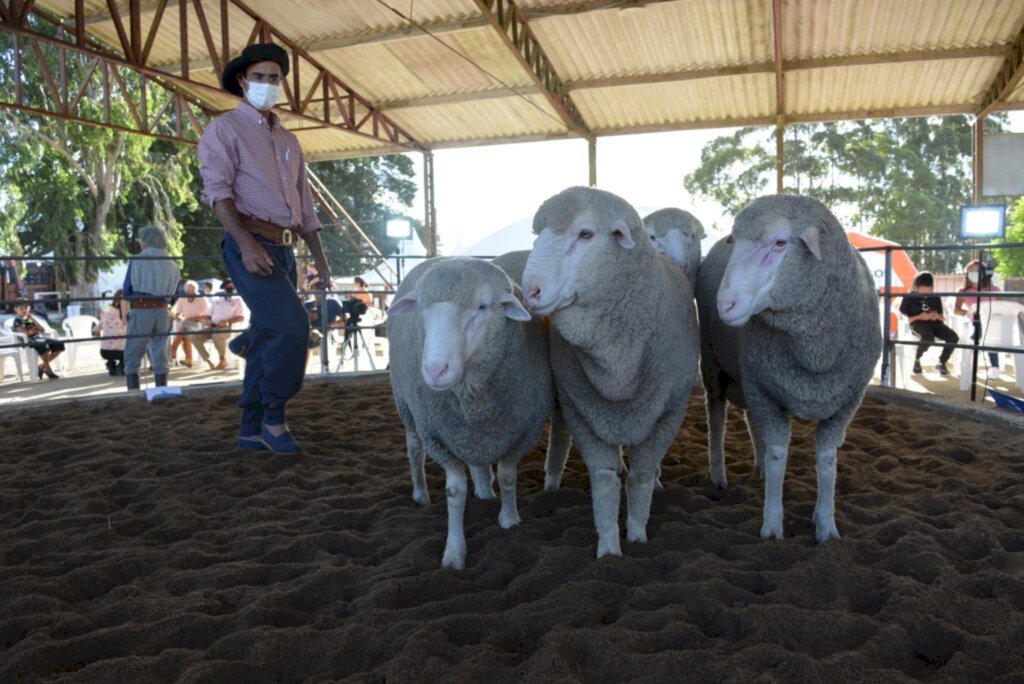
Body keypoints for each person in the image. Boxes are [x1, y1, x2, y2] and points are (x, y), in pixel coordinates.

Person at [198, 41, 331, 454]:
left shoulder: (290, 139)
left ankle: (250, 428)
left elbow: (304, 205)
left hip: (286, 248)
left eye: (275, 78)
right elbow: (218, 192)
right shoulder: (224, 128)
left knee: (270, 330)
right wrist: (246, 244)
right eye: (260, 77)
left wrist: (322, 262)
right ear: (242, 81)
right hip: (249, 242)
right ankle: (274, 415)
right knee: (292, 326)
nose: (268, 84)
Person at [122, 224, 181, 390]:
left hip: (142, 308)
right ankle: (161, 389)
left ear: (146, 241)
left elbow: (127, 291)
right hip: (163, 309)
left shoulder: (137, 260)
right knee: (161, 351)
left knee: (133, 353)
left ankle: (133, 393)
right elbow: (176, 294)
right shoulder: (173, 264)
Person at [899, 271, 959, 377]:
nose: (927, 295)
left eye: (929, 291)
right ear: (916, 287)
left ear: (932, 288)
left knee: (953, 337)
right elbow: (904, 319)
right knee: (928, 337)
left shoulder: (935, 297)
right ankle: (916, 358)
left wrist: (936, 316)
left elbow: (942, 318)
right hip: (917, 323)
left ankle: (942, 362)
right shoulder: (909, 297)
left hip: (935, 323)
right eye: (923, 292)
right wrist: (920, 317)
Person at [954, 259, 1002, 377]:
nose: (974, 273)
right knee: (983, 327)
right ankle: (993, 365)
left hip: (994, 323)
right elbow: (957, 310)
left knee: (988, 330)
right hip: (977, 322)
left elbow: (1002, 308)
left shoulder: (994, 289)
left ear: (984, 273)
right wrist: (970, 312)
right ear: (967, 273)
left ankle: (992, 365)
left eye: (977, 270)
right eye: (971, 270)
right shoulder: (963, 291)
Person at [195, 278, 247, 370]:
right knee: (194, 336)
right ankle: (208, 360)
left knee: (216, 336)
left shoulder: (237, 300)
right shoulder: (217, 300)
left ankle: (223, 360)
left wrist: (227, 321)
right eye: (227, 286)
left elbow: (241, 317)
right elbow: (208, 315)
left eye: (231, 286)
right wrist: (208, 320)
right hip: (212, 326)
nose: (229, 288)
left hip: (227, 327)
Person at [11, 299, 65, 379]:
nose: (24, 310)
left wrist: (32, 318)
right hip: (27, 341)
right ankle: (48, 369)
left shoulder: (28, 319)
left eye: (26, 308)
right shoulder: (17, 320)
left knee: (59, 344)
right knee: (43, 346)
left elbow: (42, 330)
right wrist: (31, 331)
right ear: (16, 309)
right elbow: (25, 332)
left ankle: (41, 366)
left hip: (38, 339)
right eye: (21, 308)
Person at [170, 279, 211, 368]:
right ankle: (189, 360)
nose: (190, 292)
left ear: (196, 291)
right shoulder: (182, 299)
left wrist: (191, 319)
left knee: (184, 327)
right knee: (186, 331)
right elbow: (177, 315)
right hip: (186, 326)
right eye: (188, 290)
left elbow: (207, 317)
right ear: (185, 291)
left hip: (199, 324)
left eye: (192, 290)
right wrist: (181, 318)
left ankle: (173, 350)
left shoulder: (202, 299)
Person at [304, 287, 345, 362]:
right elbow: (311, 319)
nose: (319, 292)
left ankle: (325, 366)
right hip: (311, 331)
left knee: (314, 337)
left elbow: (344, 319)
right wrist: (315, 306)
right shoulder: (307, 304)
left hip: (326, 331)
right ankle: (303, 370)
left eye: (322, 289)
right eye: (317, 289)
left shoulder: (333, 303)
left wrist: (334, 323)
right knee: (307, 337)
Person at [95, 289, 127, 376]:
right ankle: (122, 365)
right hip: (122, 351)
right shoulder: (126, 315)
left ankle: (111, 364)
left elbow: (97, 329)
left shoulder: (105, 312)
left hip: (105, 351)